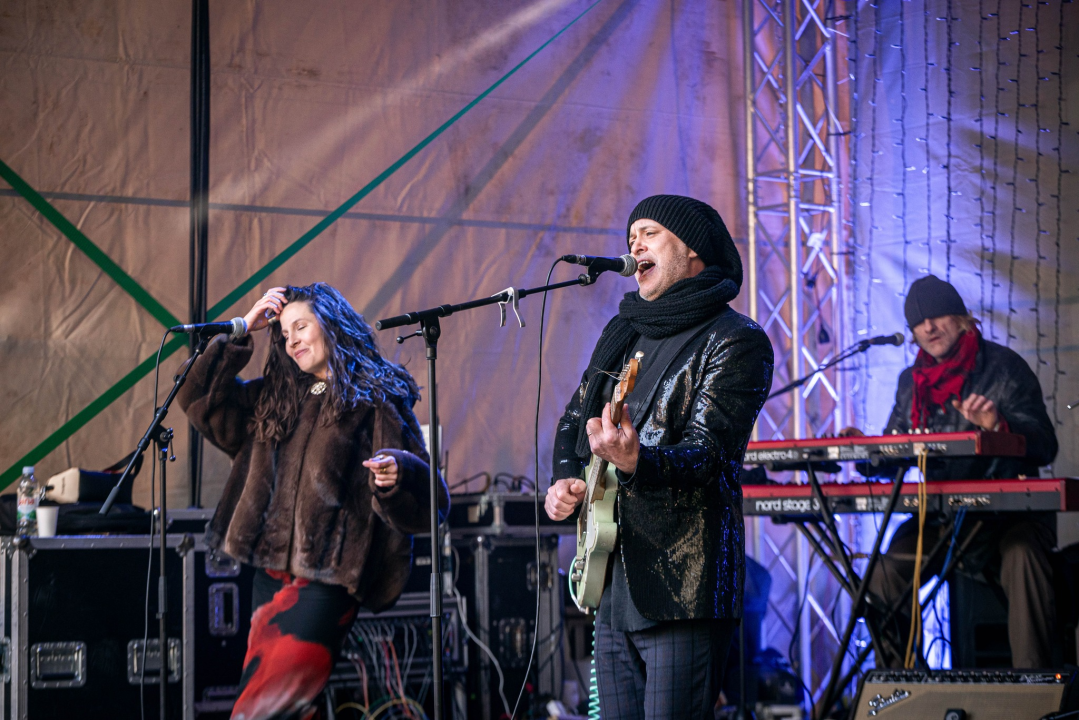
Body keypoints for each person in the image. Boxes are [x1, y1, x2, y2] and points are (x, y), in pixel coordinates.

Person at [545, 195, 774, 719]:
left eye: (649, 232)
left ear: (692, 248)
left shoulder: (736, 339)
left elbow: (711, 454)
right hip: (612, 580)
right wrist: (564, 481)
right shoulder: (624, 334)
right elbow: (573, 421)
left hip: (683, 586)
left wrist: (637, 461)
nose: (634, 245)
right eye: (630, 238)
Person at [178, 282, 448, 720]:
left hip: (328, 579)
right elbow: (195, 398)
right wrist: (244, 329)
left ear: (331, 323)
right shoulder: (276, 396)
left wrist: (396, 476)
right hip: (271, 575)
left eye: (301, 326)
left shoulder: (375, 399)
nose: (292, 340)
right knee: (293, 709)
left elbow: (431, 504)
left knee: (263, 710)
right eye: (284, 333)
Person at [862, 274, 1059, 669]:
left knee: (1024, 558)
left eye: (936, 316)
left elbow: (1044, 445)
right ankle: (909, 691)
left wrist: (999, 427)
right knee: (882, 577)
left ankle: (1035, 693)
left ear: (963, 318)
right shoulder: (910, 383)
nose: (928, 327)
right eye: (918, 323)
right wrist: (868, 451)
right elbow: (892, 453)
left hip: (1007, 516)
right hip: (940, 517)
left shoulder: (1004, 367)